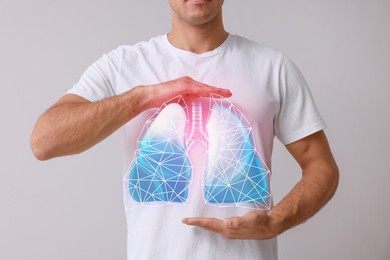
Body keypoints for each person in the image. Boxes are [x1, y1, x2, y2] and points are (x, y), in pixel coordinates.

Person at [30, 0, 339, 259]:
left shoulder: (273, 66)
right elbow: (44, 141)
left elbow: (321, 166)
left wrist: (275, 221)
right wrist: (143, 97)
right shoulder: (122, 65)